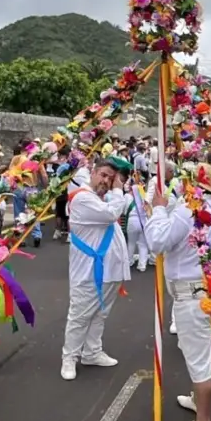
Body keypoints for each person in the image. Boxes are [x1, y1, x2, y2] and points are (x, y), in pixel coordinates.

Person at [145, 164, 211, 421]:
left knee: (198, 361)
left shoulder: (189, 212)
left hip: (192, 296)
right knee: (196, 352)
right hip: (208, 296)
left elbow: (157, 241)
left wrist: (159, 209)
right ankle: (197, 402)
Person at [61, 158, 130, 381]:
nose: (107, 181)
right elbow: (111, 214)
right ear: (93, 172)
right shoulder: (82, 198)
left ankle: (91, 352)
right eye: (103, 175)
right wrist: (119, 192)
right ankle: (69, 358)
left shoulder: (100, 199)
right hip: (89, 272)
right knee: (80, 316)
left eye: (111, 178)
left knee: (100, 314)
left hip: (110, 271)